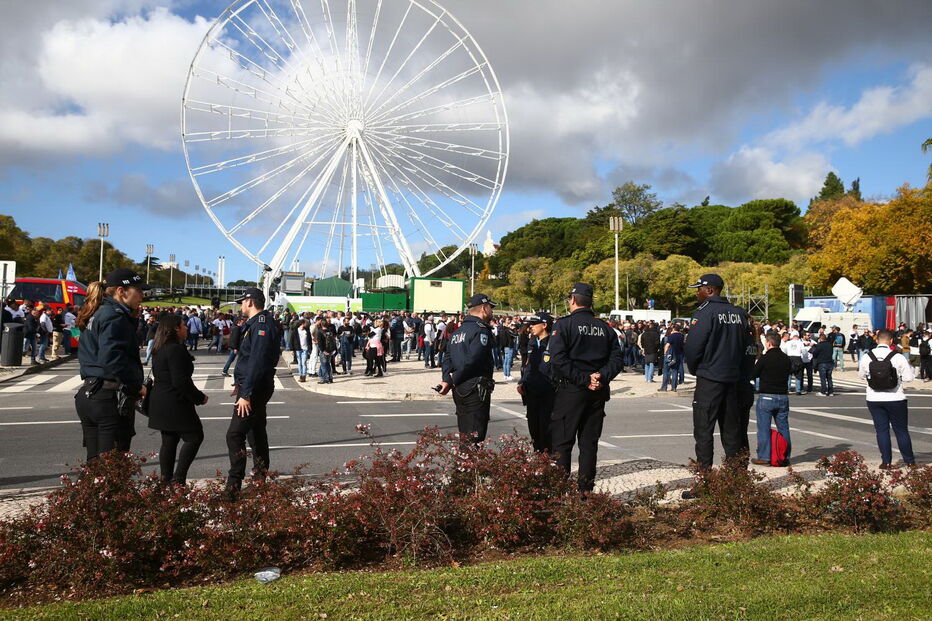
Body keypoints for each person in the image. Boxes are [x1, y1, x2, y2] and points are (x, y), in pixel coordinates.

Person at [547, 283, 624, 492]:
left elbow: (558, 359)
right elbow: (617, 358)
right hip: (597, 391)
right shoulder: (605, 328)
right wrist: (601, 376)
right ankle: (585, 491)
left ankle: (560, 491)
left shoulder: (563, 325)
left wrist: (583, 379)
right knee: (589, 444)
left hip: (572, 390)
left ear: (572, 300)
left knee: (563, 443)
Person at [74, 269, 149, 460]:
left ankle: (89, 491)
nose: (142, 295)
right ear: (121, 291)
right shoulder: (114, 315)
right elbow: (112, 358)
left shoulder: (97, 311)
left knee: (95, 462)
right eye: (138, 290)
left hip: (90, 393)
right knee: (113, 463)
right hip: (108, 396)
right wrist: (136, 386)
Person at [683, 273, 751, 483]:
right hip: (733, 378)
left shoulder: (705, 312)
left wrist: (696, 369)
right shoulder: (739, 313)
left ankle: (704, 480)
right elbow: (748, 348)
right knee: (732, 432)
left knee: (704, 430)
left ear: (710, 290)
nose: (697, 293)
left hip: (710, 378)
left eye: (699, 289)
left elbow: (693, 347)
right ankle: (736, 480)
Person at [225, 287, 280, 498]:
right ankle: (260, 477)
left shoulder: (262, 325)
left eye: (242, 302)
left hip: (255, 388)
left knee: (234, 434)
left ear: (250, 302)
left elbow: (257, 361)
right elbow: (246, 357)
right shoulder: (255, 324)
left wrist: (246, 393)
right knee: (255, 431)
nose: (240, 306)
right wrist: (240, 385)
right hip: (252, 386)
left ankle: (233, 486)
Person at [148, 313, 208, 485]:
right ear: (175, 328)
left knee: (169, 440)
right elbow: (180, 381)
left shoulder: (159, 347)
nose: (186, 327)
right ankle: (178, 479)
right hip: (175, 402)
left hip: (160, 401)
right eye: (183, 325)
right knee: (194, 436)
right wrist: (199, 397)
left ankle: (165, 480)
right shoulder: (175, 348)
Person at [439, 294, 497, 444]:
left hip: (459, 389)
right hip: (475, 388)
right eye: (491, 308)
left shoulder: (458, 331)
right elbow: (474, 360)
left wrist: (447, 379)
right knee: (475, 435)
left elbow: (447, 358)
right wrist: (451, 380)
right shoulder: (481, 330)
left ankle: (462, 466)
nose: (492, 312)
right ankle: (469, 467)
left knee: (464, 433)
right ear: (484, 308)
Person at [858, 329, 916, 469]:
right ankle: (909, 461)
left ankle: (886, 462)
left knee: (882, 430)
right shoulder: (897, 356)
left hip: (874, 397)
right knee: (901, 430)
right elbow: (909, 378)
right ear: (891, 341)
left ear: (877, 340)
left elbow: (861, 375)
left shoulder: (867, 356)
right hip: (896, 397)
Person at [751, 332, 792, 466]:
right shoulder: (786, 358)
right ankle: (784, 455)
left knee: (763, 427)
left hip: (767, 395)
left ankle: (764, 456)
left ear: (768, 343)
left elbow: (754, 374)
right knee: (783, 427)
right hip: (783, 395)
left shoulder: (765, 358)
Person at [517, 312, 556, 453]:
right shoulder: (533, 342)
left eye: (534, 324)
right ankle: (538, 462)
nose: (531, 326)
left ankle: (548, 465)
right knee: (534, 431)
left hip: (547, 394)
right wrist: (523, 381)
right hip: (531, 392)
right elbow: (528, 365)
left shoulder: (553, 344)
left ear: (544, 325)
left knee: (546, 432)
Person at [659, 323, 685, 391]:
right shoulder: (681, 336)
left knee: (666, 371)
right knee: (675, 371)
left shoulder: (671, 336)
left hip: (670, 355)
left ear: (673, 329)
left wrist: (665, 354)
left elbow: (667, 345)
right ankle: (674, 387)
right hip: (678, 355)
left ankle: (664, 387)